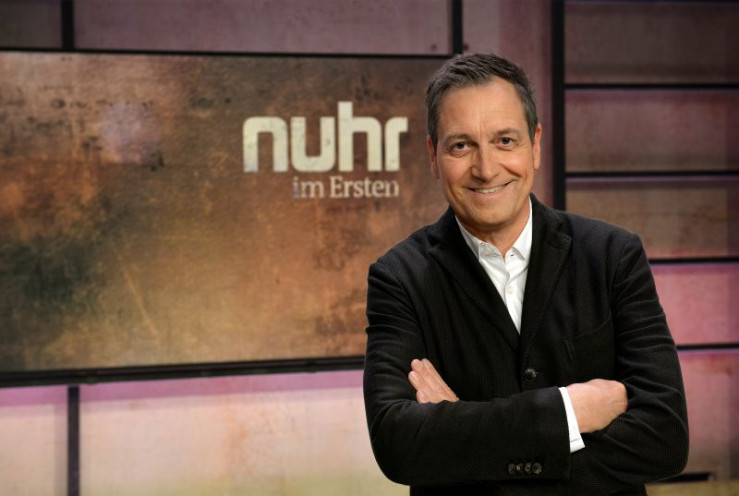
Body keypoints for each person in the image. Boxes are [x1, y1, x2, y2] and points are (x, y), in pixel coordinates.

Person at [362, 53, 689, 495]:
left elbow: (664, 440)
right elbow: (398, 443)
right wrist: (568, 410)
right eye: (461, 146)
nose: (486, 169)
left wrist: (464, 436)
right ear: (433, 156)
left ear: (535, 145)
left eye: (505, 140)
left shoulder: (613, 255)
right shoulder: (399, 278)